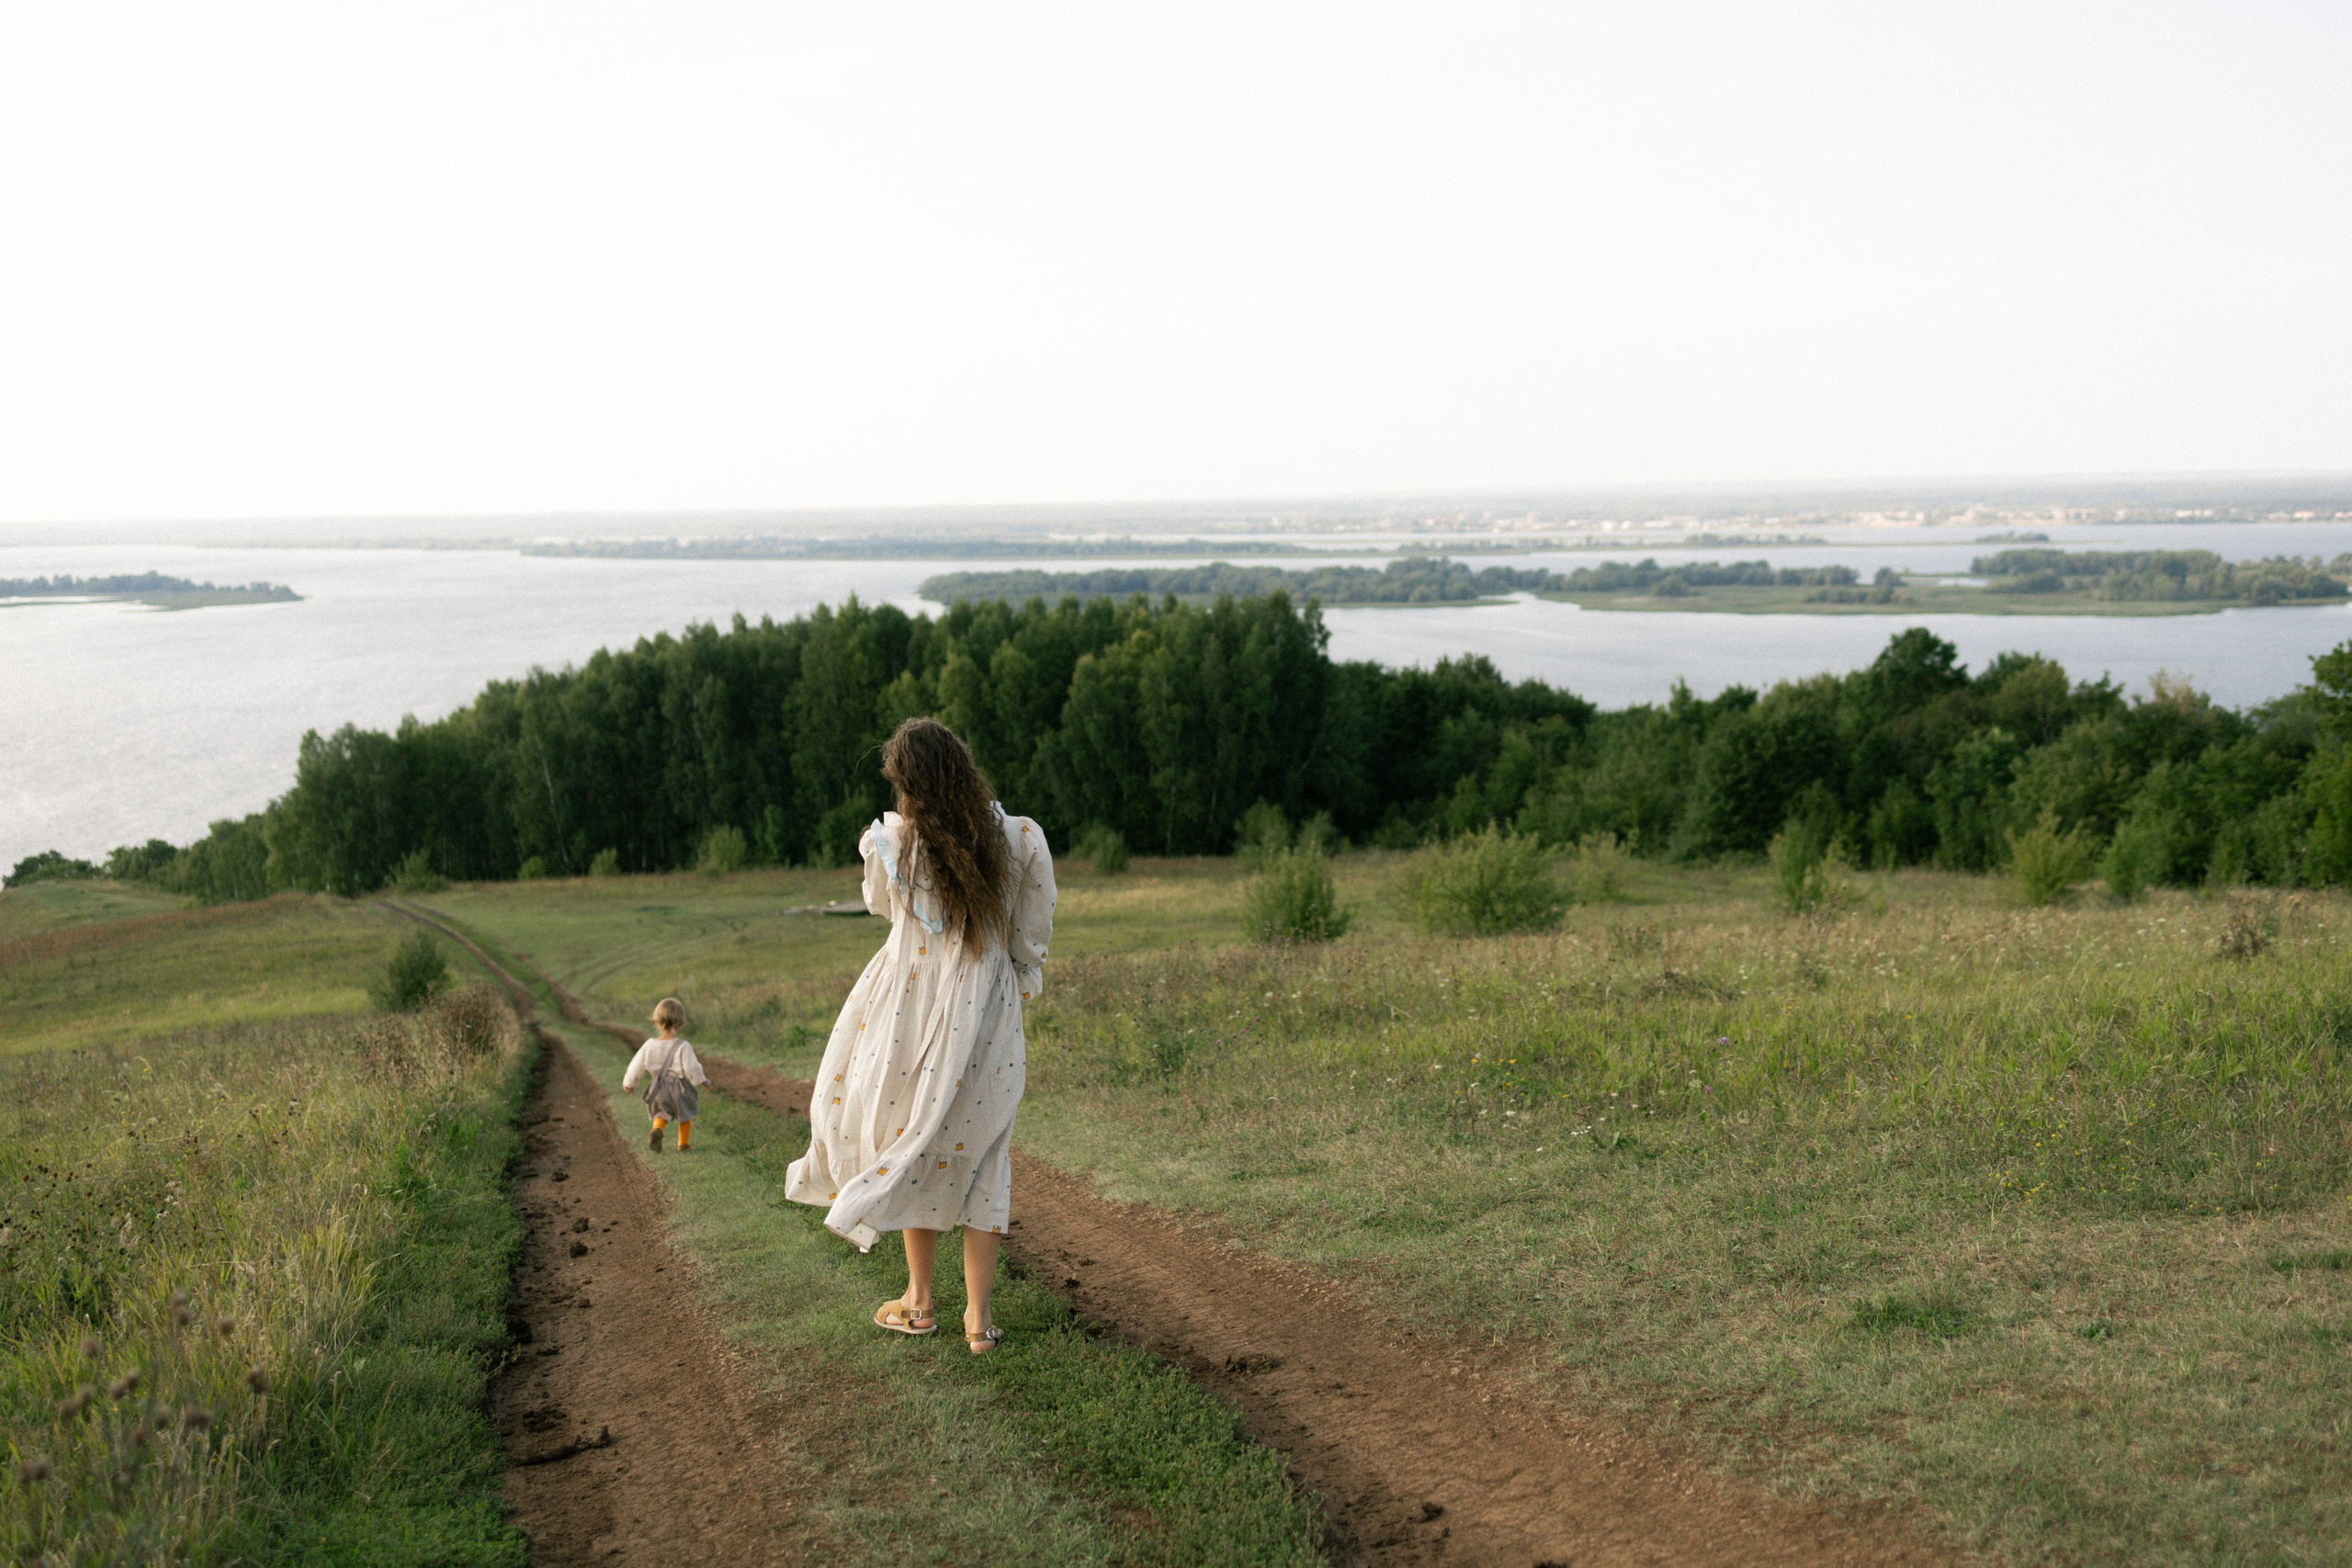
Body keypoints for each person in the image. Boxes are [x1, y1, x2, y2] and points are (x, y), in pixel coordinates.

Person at [785, 717, 1056, 1354]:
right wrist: (1017, 978)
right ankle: (979, 1321)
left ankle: (920, 1299)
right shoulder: (1018, 838)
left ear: (906, 783)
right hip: (987, 1014)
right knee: (986, 1151)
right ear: (962, 763)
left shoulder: (895, 843)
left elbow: (885, 907)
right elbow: (1030, 931)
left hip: (911, 1013)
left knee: (917, 1137)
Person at [623, 997, 707, 1153]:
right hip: (679, 1088)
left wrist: (629, 1084)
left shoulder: (649, 1045)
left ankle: (658, 1130)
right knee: (685, 1116)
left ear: (656, 1021)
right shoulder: (683, 1046)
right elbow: (691, 1068)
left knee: (660, 1114)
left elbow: (636, 1066)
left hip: (658, 1088)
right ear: (681, 1023)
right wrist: (701, 1079)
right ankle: (683, 1144)